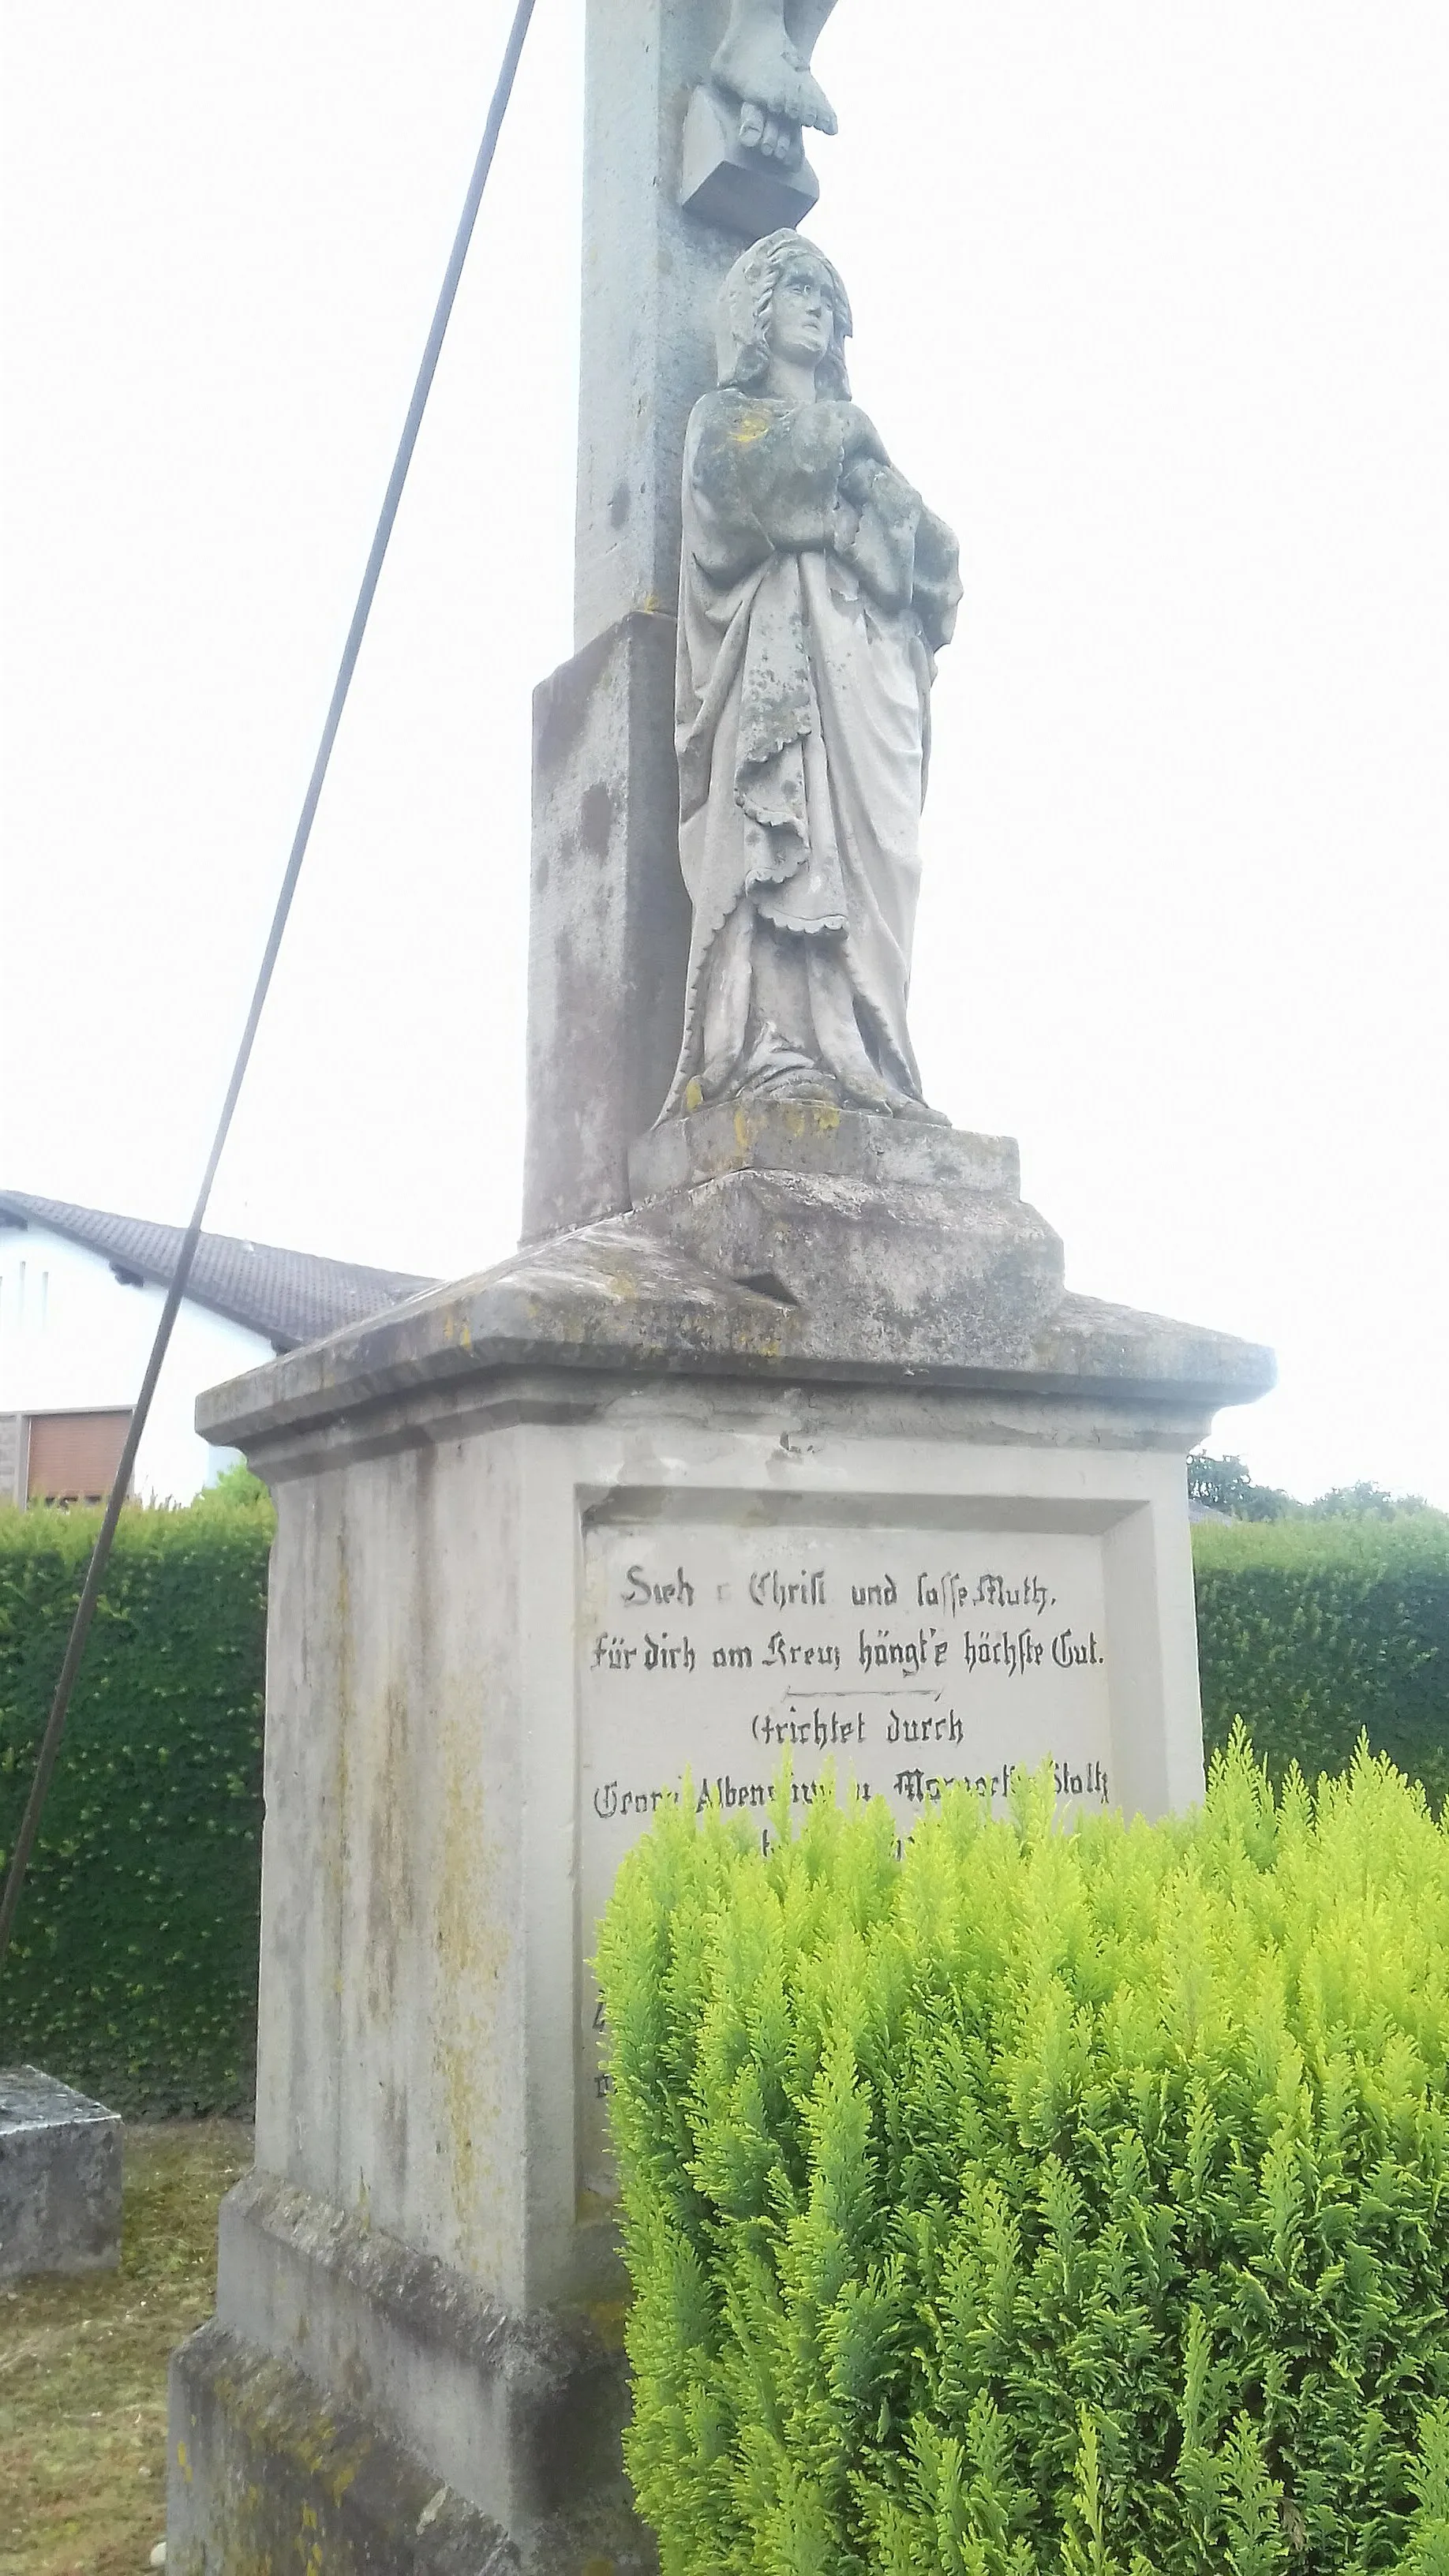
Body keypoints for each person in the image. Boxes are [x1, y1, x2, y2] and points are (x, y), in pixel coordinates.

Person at [661, 229, 961, 1121]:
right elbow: (739, 498)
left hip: (866, 675)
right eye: (797, 288)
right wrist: (848, 449)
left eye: (827, 295)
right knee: (792, 854)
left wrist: (891, 529)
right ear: (756, 311)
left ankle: (873, 1053)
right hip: (788, 682)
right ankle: (779, 1044)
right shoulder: (723, 420)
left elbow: (936, 562)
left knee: (886, 862)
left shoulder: (861, 448)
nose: (817, 306)